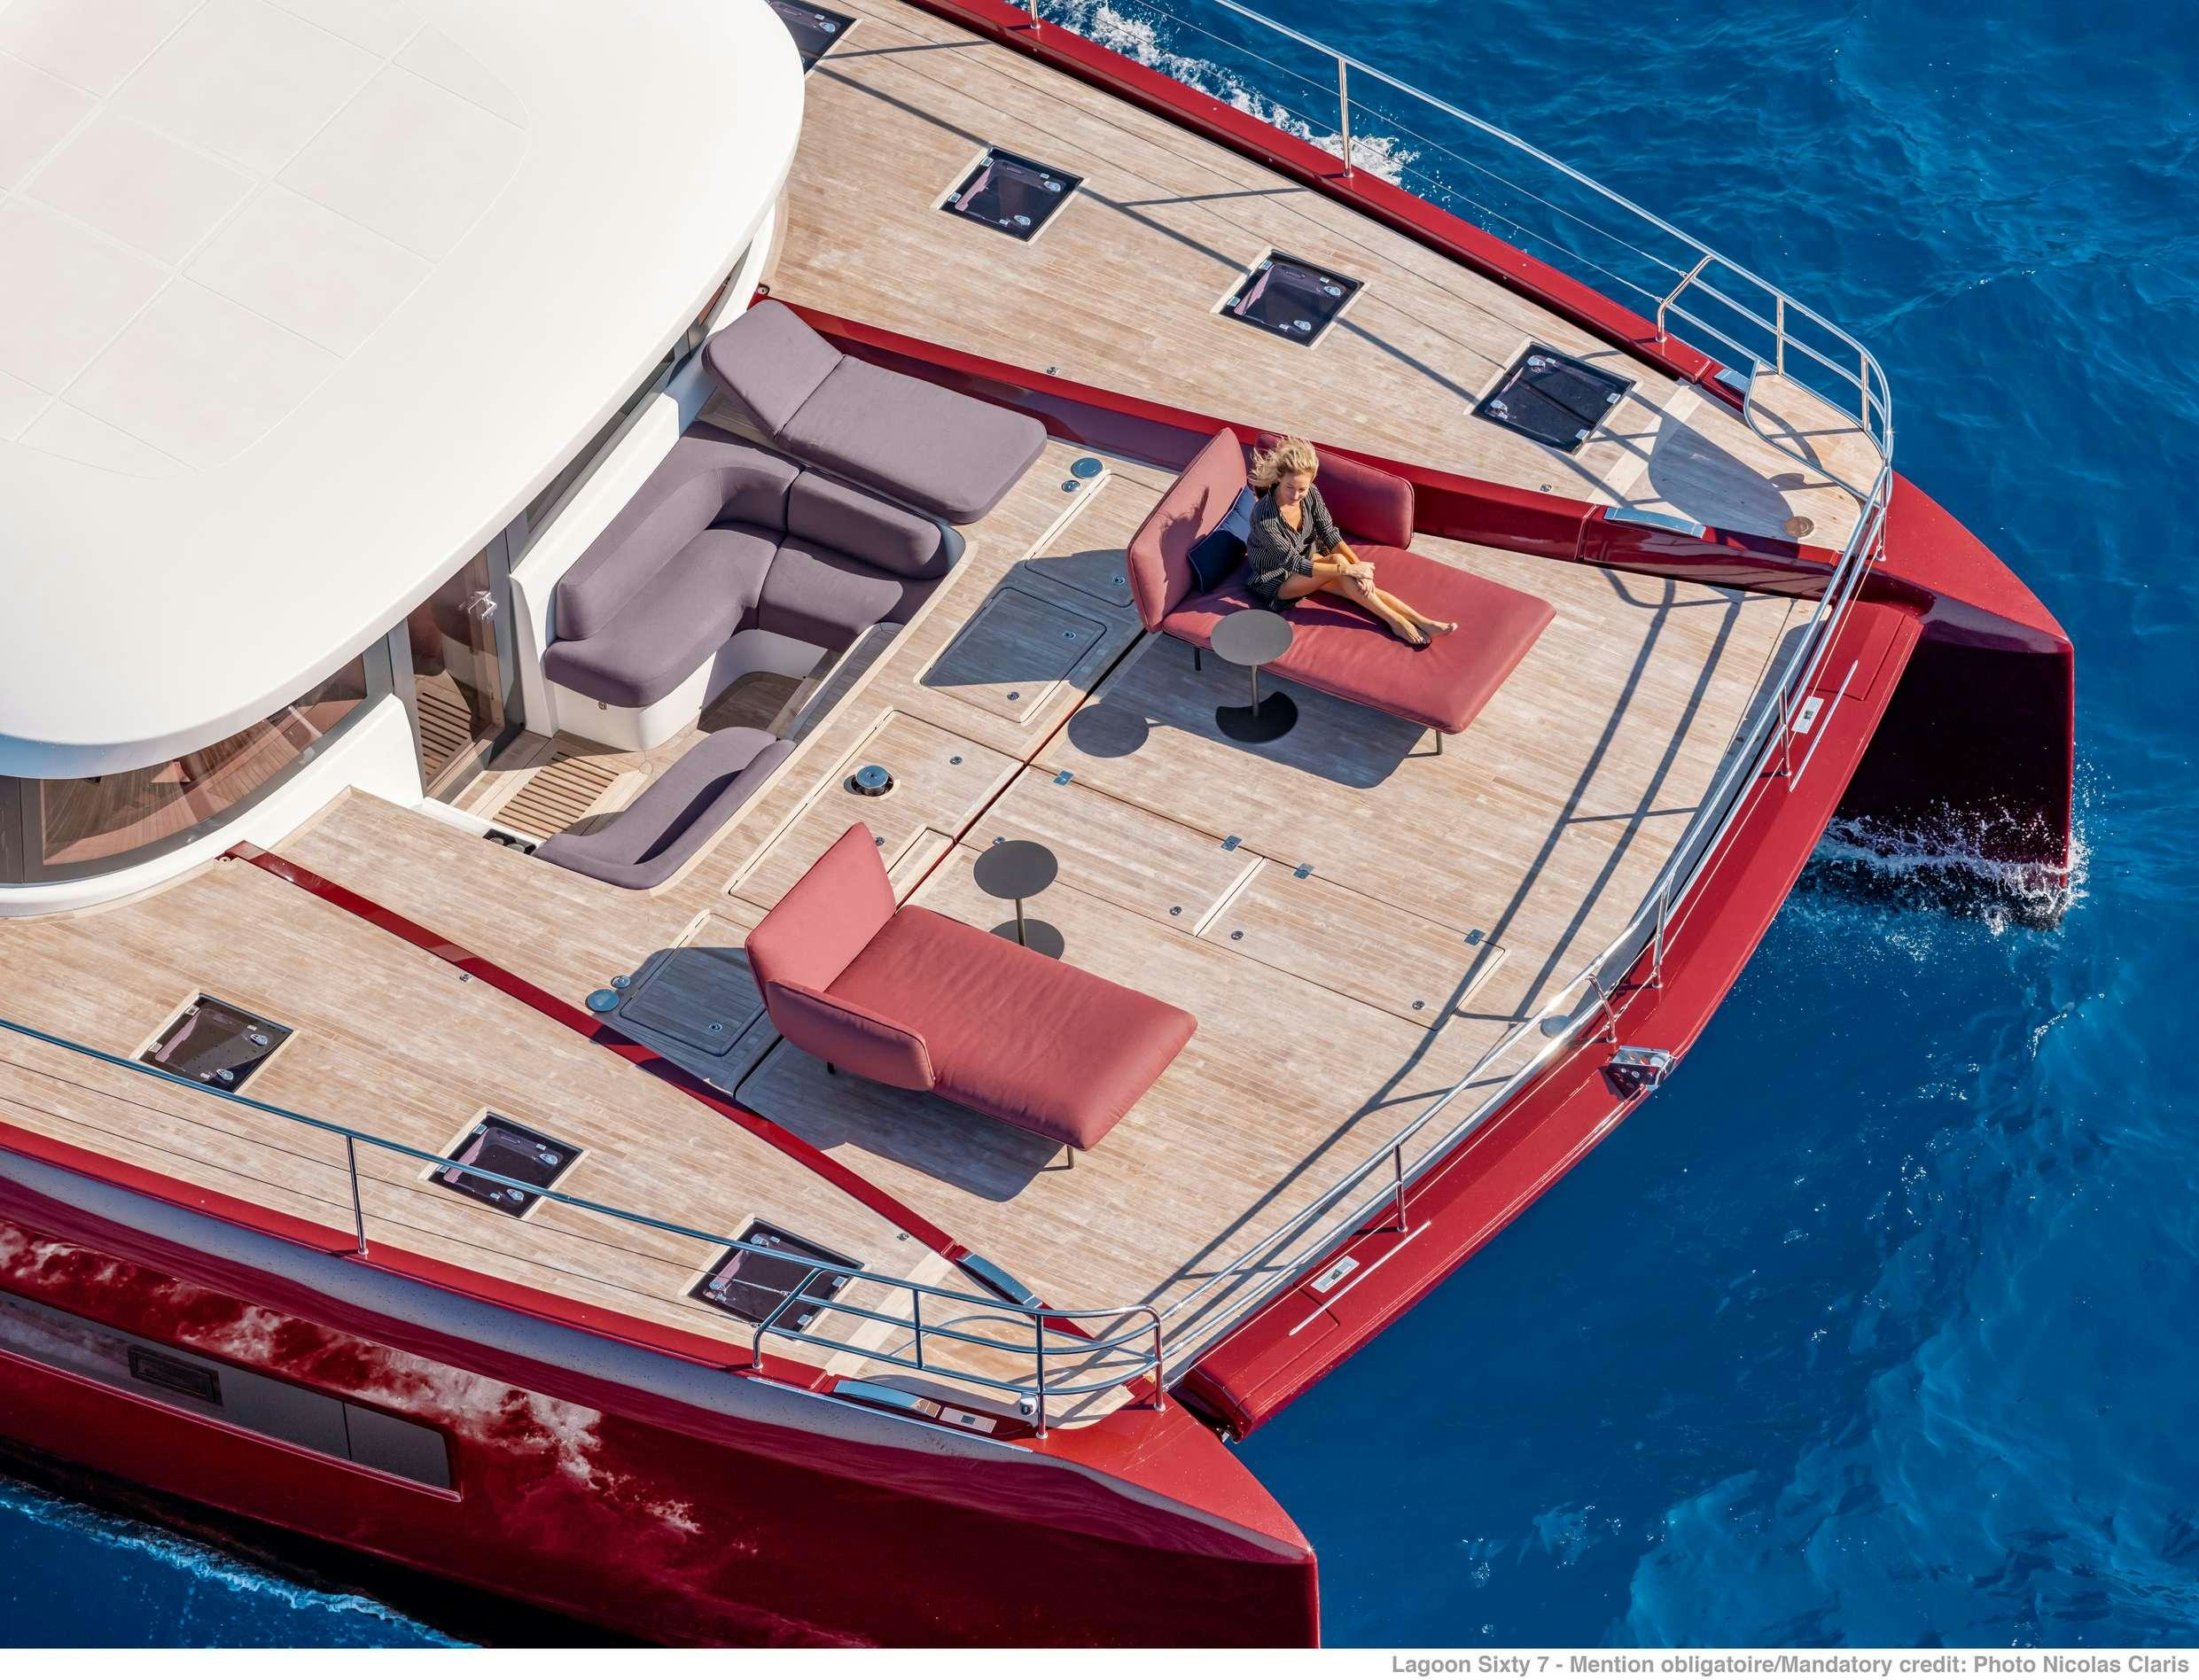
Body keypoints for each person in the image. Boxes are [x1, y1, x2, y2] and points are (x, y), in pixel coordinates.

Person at [1242, 437, 1454, 647]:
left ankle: (1422, 621)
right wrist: (1348, 570)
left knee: (1356, 587)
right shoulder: (1264, 516)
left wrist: (1360, 570)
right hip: (1277, 579)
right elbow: (1294, 564)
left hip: (1309, 559)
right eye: (1290, 487)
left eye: (1302, 489)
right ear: (1279, 478)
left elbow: (1329, 533)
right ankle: (1397, 622)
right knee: (1339, 564)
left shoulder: (1311, 495)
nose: (1296, 495)